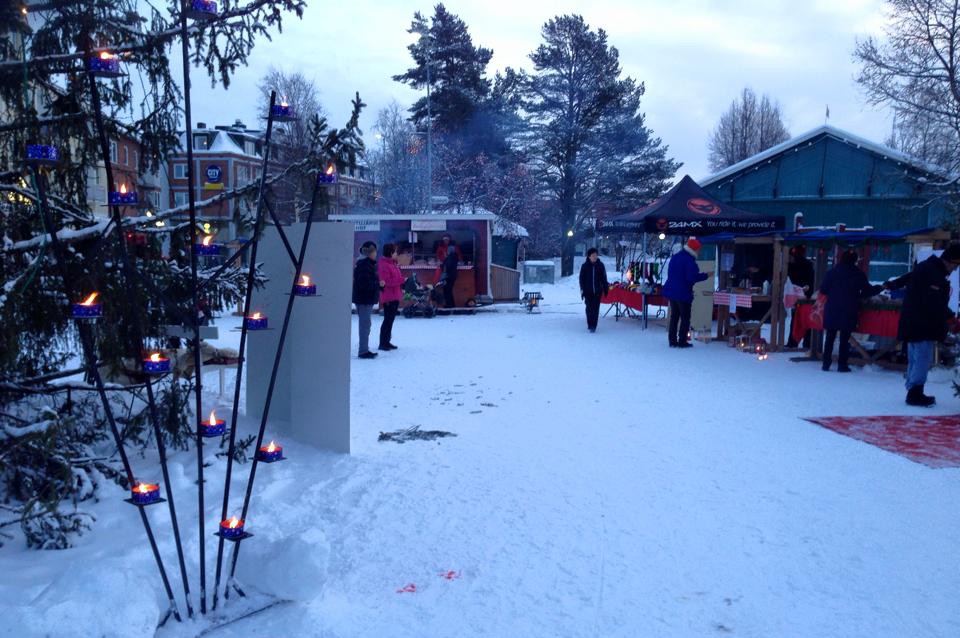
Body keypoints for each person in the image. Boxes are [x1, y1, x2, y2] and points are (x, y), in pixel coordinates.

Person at [889, 245, 960, 406]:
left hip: (914, 321)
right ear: (949, 261)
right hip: (922, 323)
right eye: (955, 265)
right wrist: (950, 318)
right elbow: (933, 300)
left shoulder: (927, 267)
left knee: (915, 358)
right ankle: (915, 393)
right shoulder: (933, 273)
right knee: (921, 358)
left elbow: (909, 278)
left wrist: (893, 284)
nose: (955, 270)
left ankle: (913, 389)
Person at [819, 249, 883, 372]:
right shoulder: (858, 274)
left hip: (832, 308)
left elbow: (823, 290)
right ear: (855, 260)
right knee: (844, 339)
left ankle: (826, 363)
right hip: (849, 309)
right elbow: (868, 291)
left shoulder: (831, 273)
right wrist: (881, 287)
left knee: (830, 338)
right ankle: (842, 365)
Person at [663, 238, 711, 348]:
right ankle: (682, 341)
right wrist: (706, 275)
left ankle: (672, 340)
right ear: (694, 249)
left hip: (672, 292)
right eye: (699, 250)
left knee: (674, 316)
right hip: (683, 293)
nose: (699, 252)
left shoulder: (675, 257)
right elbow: (691, 278)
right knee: (685, 318)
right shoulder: (689, 260)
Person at [353, 241, 380, 359]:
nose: (375, 254)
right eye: (374, 252)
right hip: (364, 299)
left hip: (364, 299)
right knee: (365, 325)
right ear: (369, 252)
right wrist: (377, 284)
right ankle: (363, 351)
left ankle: (364, 349)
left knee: (366, 325)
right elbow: (364, 283)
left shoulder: (366, 264)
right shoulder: (364, 265)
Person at [786, 245, 815, 349]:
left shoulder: (791, 265)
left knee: (797, 321)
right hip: (806, 296)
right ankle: (806, 343)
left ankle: (793, 342)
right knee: (805, 321)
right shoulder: (807, 265)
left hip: (799, 296)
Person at [377, 243, 404, 351]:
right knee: (387, 320)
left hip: (394, 295)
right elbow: (386, 282)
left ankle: (386, 341)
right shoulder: (384, 264)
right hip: (388, 296)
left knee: (390, 320)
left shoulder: (393, 263)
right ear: (390, 252)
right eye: (395, 252)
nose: (397, 254)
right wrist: (401, 280)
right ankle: (383, 343)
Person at [579, 248, 609, 333]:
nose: (595, 257)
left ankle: (594, 326)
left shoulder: (600, 265)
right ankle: (590, 324)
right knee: (589, 308)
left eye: (596, 255)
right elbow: (581, 279)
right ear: (589, 256)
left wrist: (605, 288)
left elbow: (604, 278)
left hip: (597, 291)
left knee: (595, 309)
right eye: (593, 255)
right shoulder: (585, 266)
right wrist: (582, 290)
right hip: (587, 291)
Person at [440, 242, 460, 308]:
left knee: (447, 290)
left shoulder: (451, 257)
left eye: (448, 250)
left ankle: (449, 305)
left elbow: (447, 266)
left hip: (449, 275)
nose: (447, 251)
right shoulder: (454, 256)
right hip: (452, 275)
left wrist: (441, 265)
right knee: (448, 290)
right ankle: (451, 304)